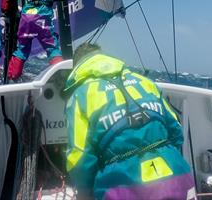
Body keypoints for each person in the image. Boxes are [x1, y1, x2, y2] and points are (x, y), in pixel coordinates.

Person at [62, 43, 196, 200]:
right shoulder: (145, 82)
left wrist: (85, 193)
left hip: (124, 187)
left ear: (78, 67)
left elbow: (79, 159)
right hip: (178, 178)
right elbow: (176, 131)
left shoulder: (80, 96)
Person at [6, 0, 74, 80]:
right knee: (52, 48)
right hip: (42, 19)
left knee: (22, 49)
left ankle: (12, 76)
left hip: (26, 19)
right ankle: (60, 77)